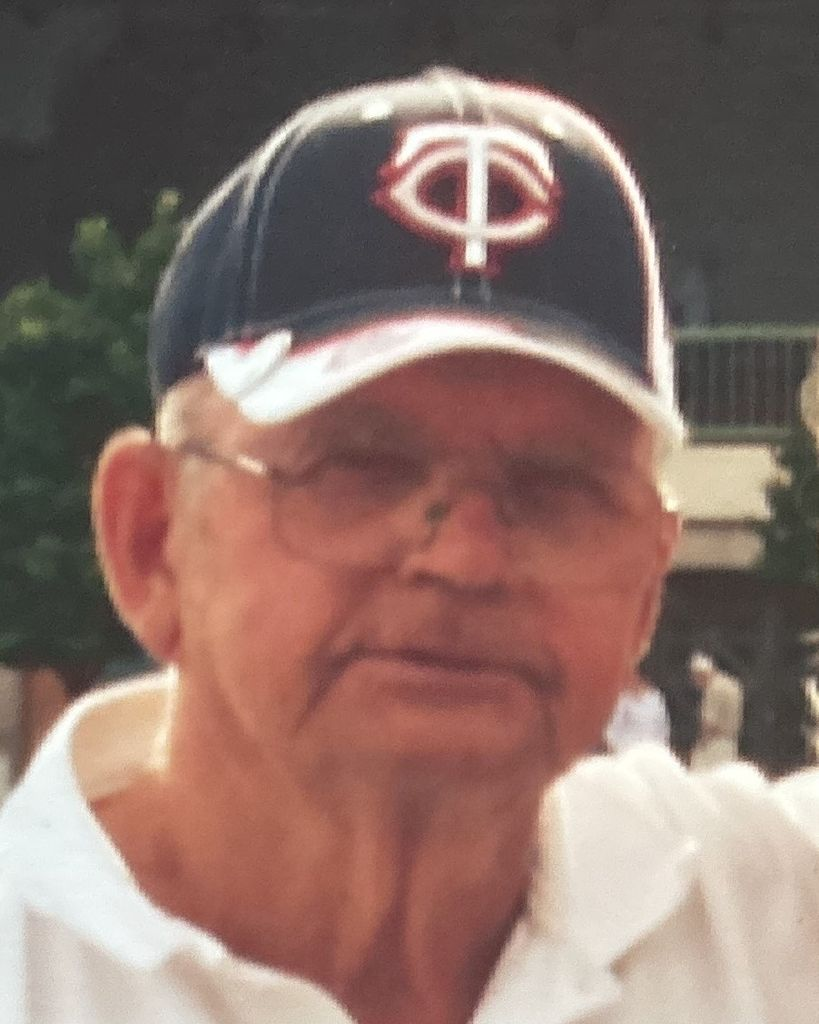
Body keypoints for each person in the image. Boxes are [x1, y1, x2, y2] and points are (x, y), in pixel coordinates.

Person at [3, 67, 819, 1024]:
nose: (464, 558)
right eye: (358, 469)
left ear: (647, 581)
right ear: (151, 538)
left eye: (557, 489)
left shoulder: (758, 915)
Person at [687, 650, 744, 770]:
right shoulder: (733, 684)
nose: (696, 683)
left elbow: (709, 723)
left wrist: (701, 745)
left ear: (700, 674)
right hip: (730, 744)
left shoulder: (713, 688)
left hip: (714, 745)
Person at [604, 672, 670, 754]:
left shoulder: (656, 698)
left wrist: (660, 750)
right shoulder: (624, 699)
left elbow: (663, 728)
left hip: (651, 750)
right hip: (627, 750)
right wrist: (615, 749)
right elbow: (613, 728)